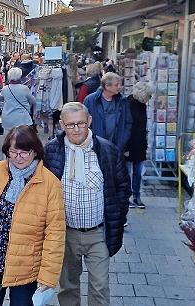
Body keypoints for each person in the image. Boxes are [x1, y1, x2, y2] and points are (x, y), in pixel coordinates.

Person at [0, 125, 66, 306]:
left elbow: (55, 235)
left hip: (26, 268)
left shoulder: (50, 184)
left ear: (35, 152)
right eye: (13, 152)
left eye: (24, 152)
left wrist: (48, 276)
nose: (18, 157)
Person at [43, 102, 131, 306]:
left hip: (98, 233)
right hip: (66, 233)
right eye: (71, 124)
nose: (76, 129)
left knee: (100, 286)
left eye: (81, 123)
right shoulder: (52, 151)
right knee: (68, 286)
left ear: (89, 121)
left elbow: (122, 187)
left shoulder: (107, 150)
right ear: (62, 125)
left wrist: (118, 215)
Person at [83, 72, 132, 153]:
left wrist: (122, 141)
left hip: (116, 147)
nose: (120, 87)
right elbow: (84, 122)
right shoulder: (90, 100)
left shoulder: (122, 101)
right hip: (96, 147)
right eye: (116, 85)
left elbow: (128, 122)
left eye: (120, 84)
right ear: (107, 86)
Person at [126, 81, 153, 209]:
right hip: (129, 144)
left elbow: (142, 127)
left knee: (138, 173)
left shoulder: (142, 106)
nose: (150, 98)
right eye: (149, 95)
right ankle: (127, 197)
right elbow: (126, 127)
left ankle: (137, 196)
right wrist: (125, 147)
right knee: (127, 173)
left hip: (140, 143)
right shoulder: (128, 104)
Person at [0, 67, 35, 132]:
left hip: (8, 118)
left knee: (10, 139)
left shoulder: (5, 89)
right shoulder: (24, 88)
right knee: (22, 140)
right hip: (22, 119)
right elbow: (33, 101)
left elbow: (0, 99)